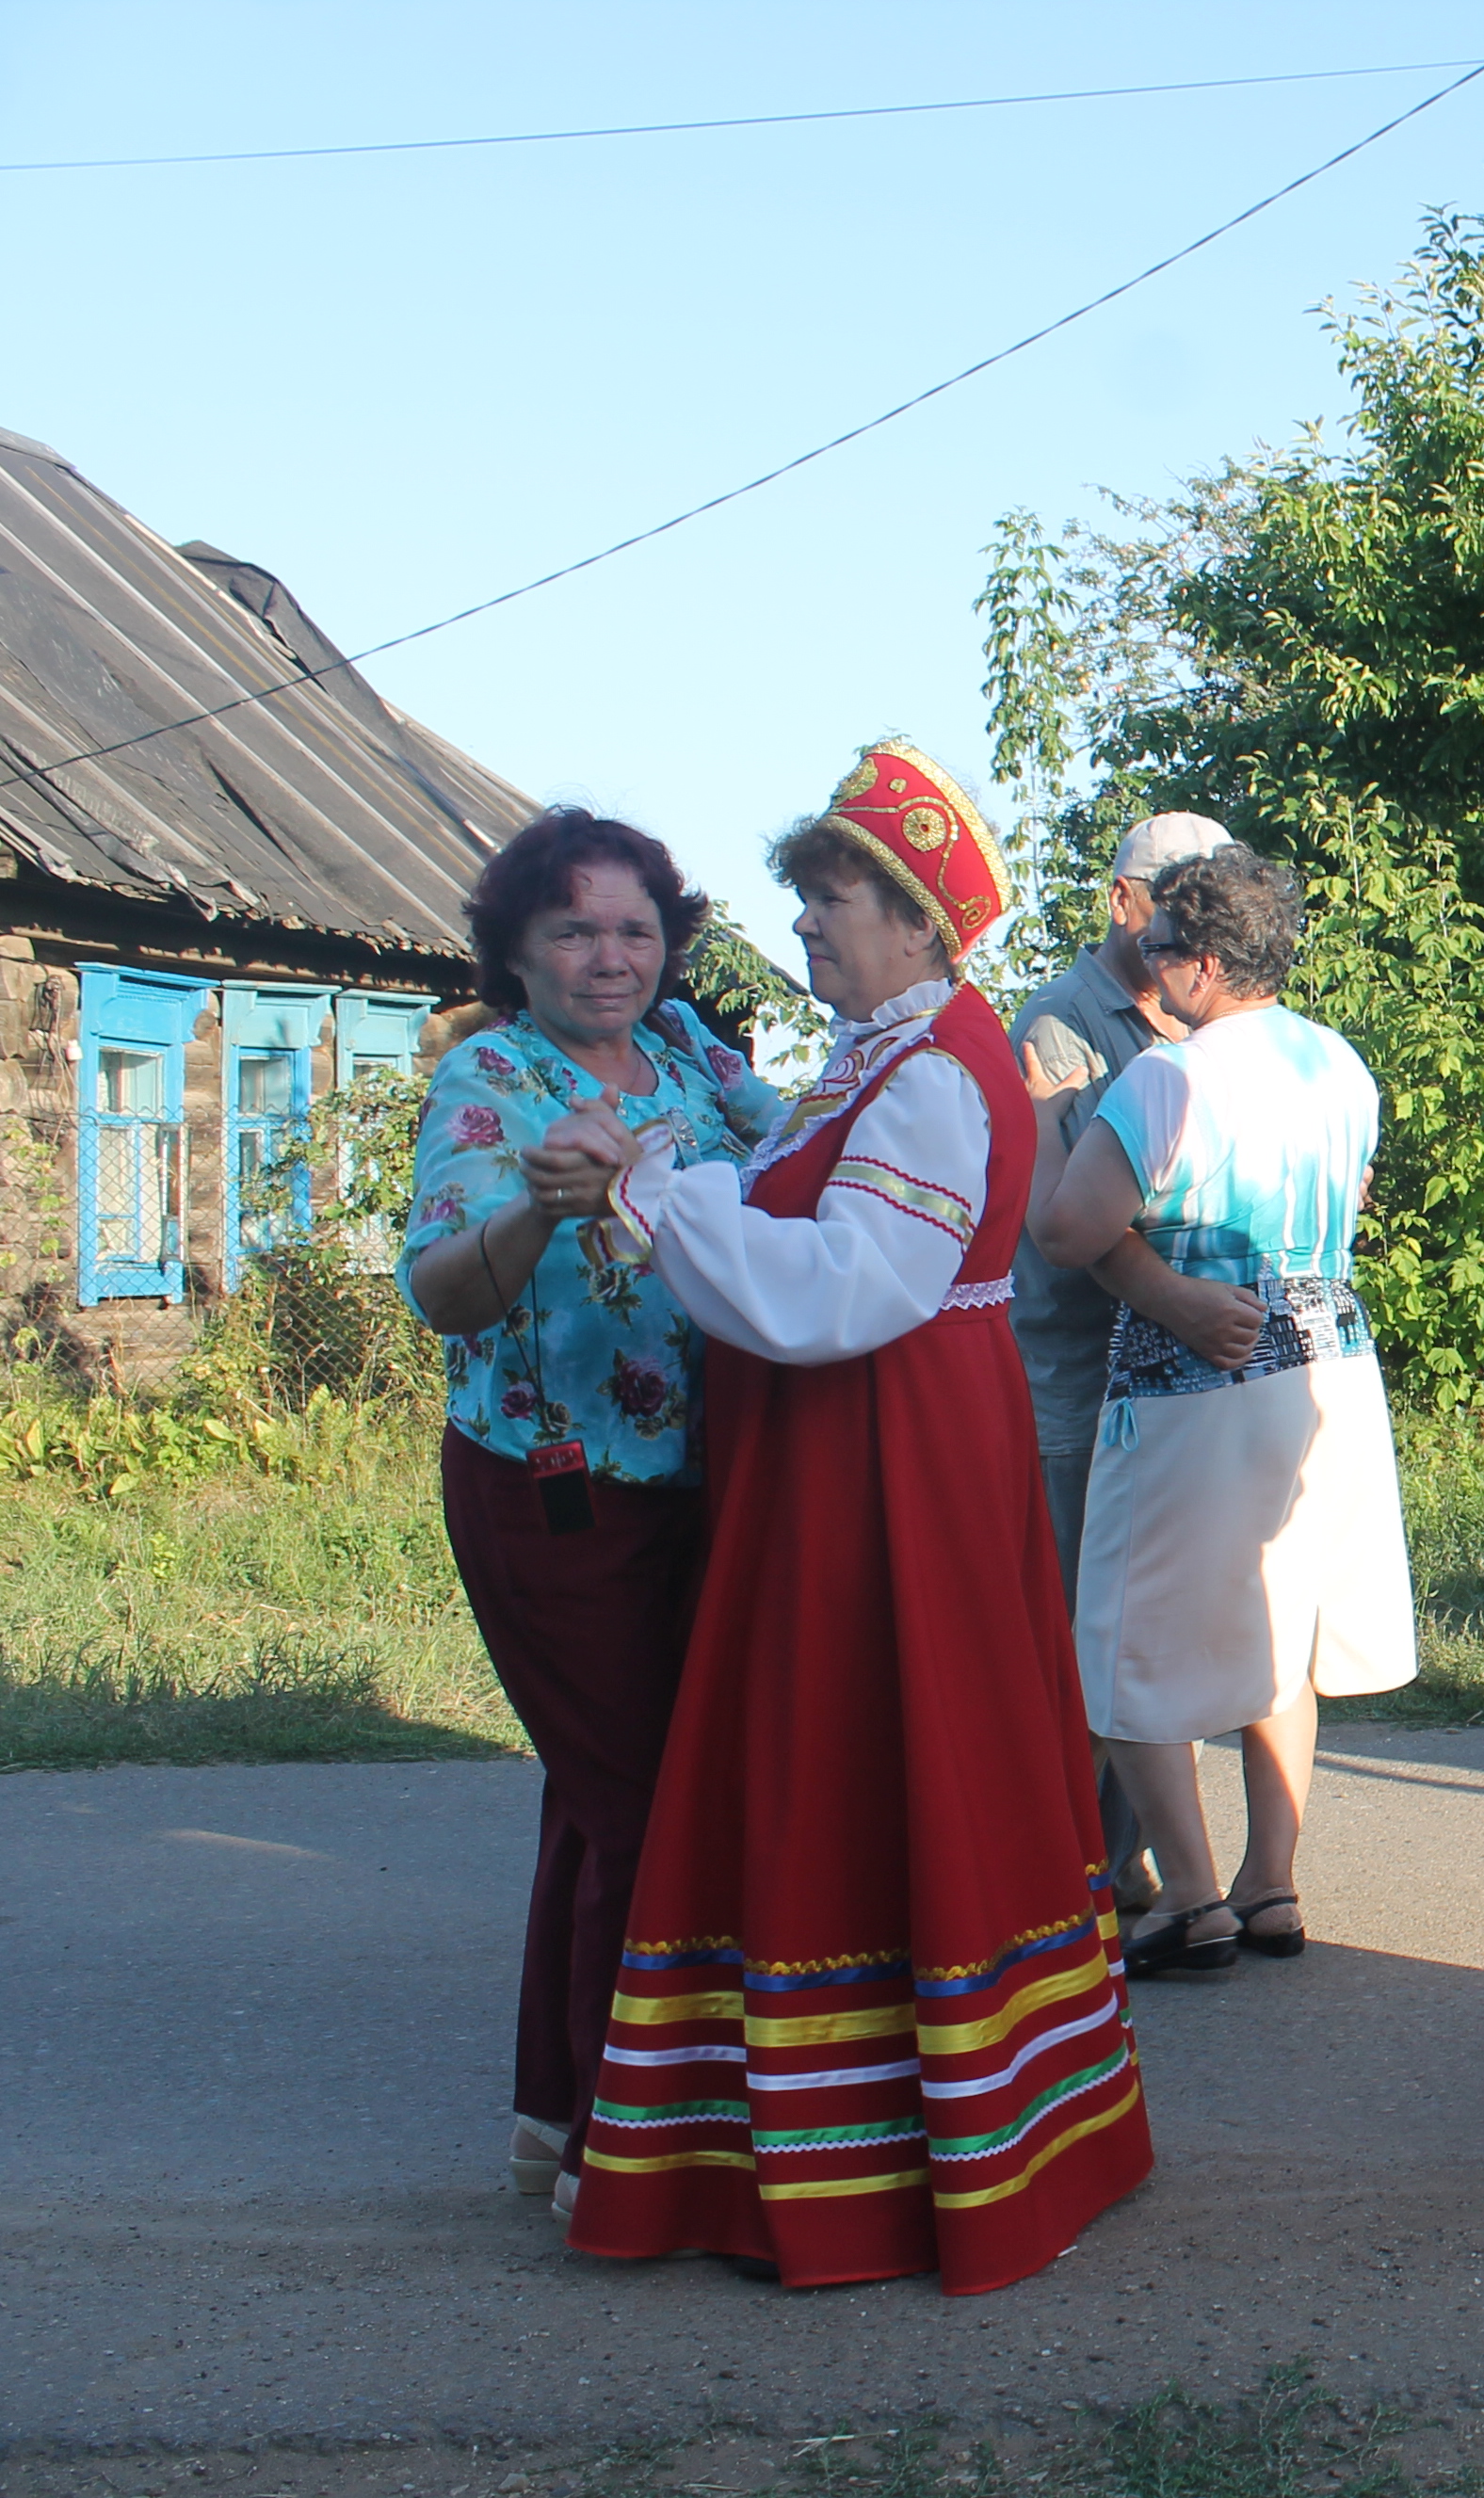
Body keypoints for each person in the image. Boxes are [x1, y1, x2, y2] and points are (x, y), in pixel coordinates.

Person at [546, 741, 1152, 2286]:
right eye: (808, 897)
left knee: (872, 1753)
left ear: (914, 915)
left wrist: (662, 1197)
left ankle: (881, 2164)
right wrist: (674, 1179)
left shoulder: (939, 1070)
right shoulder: (887, 1055)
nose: (806, 926)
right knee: (856, 1759)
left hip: (888, 1467)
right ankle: (883, 2133)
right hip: (853, 1458)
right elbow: (792, 1227)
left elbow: (842, 1293)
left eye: (829, 899)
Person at [401, 809, 784, 2212]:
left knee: (597, 1798)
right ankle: (635, 2148)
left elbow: (807, 1151)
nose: (610, 958)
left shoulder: (691, 1053)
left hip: (696, 1478)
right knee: (643, 1803)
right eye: (574, 929)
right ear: (517, 950)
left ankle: (556, 2112)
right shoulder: (490, 1081)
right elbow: (443, 1289)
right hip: (548, 1490)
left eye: (634, 928)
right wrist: (541, 1214)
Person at [1028, 845, 1419, 1978]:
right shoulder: (1342, 1063)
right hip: (1328, 1367)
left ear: (1204, 962)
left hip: (1193, 1371)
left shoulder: (1169, 1076)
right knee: (1280, 1621)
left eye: (1159, 954)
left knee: (1121, 1635)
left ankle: (1189, 1897)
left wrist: (1097, 1187)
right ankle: (1272, 1881)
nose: (1147, 975)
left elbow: (1067, 1229)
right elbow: (1341, 1209)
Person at [1004, 809, 1244, 1914]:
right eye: (1175, 892)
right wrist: (1176, 1299)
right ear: (1123, 901)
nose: (1194, 915)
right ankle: (1072, 1862)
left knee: (1157, 1611)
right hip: (1080, 1355)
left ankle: (1132, 1852)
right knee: (1080, 1614)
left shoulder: (1215, 1015)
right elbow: (1065, 1214)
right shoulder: (1059, 1024)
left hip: (1186, 1353)